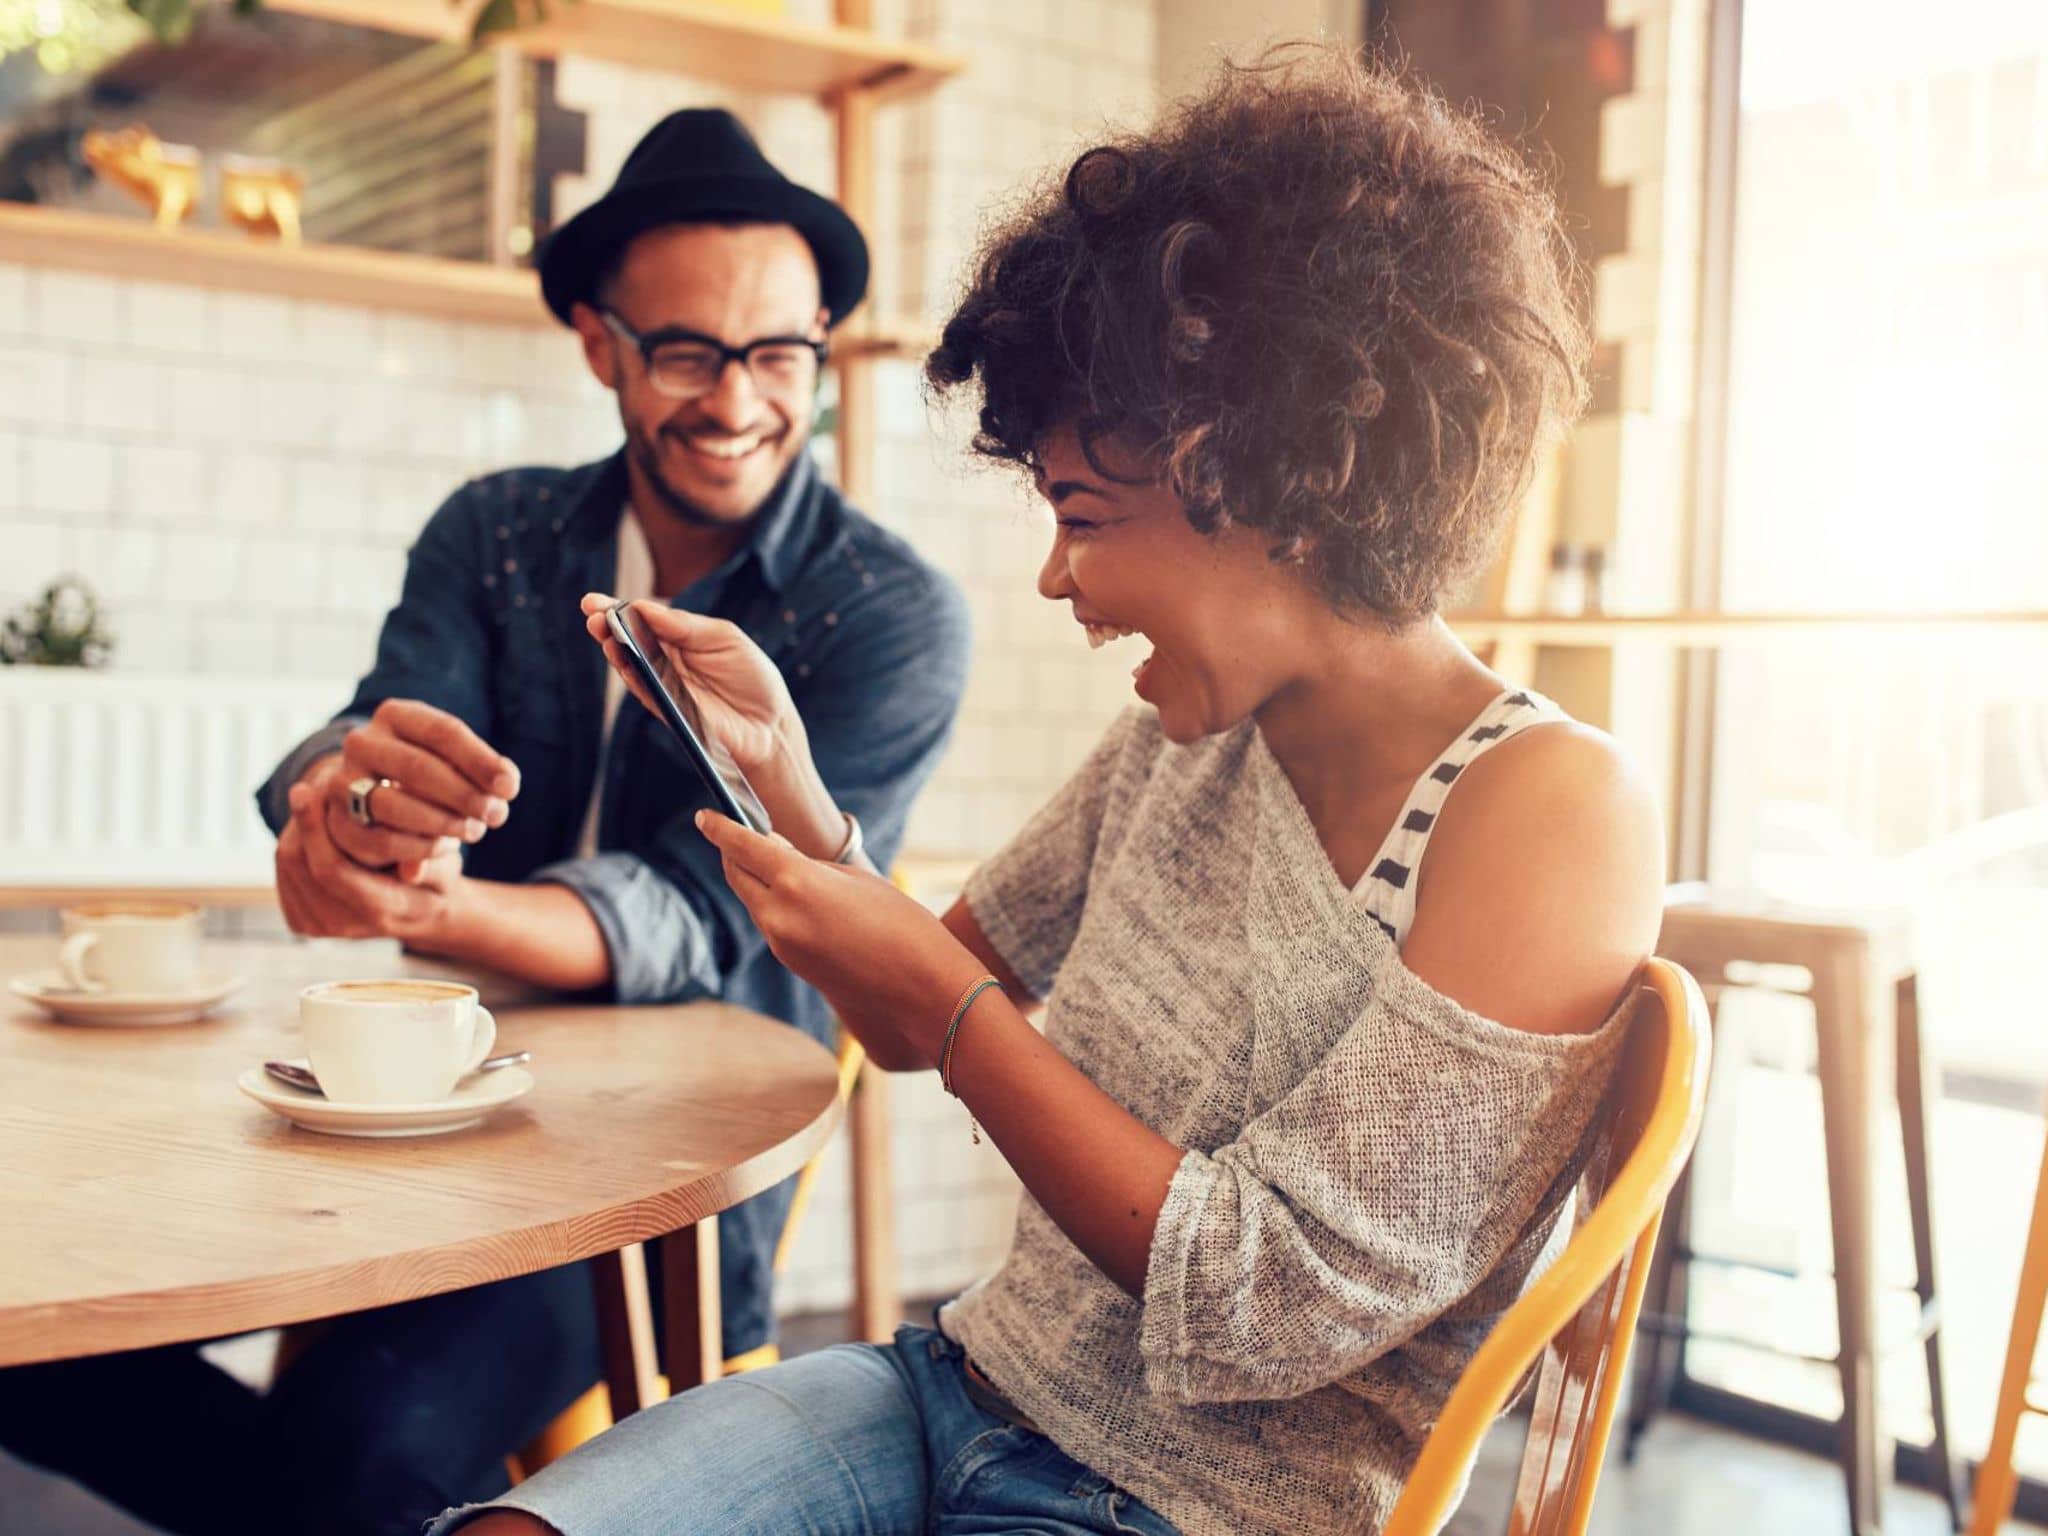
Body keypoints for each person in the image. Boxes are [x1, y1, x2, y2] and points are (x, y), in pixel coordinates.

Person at [430, 45, 1666, 1536]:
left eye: (1082, 515)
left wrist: (961, 1022)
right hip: (953, 1389)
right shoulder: (1190, 733)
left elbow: (1263, 1303)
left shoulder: (1547, 811)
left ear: (1251, 477)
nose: (1057, 577)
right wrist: (794, 790)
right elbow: (906, 1011)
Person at [0, 109, 968, 1536]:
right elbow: (371, 732)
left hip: (666, 1171)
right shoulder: (496, 531)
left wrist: (431, 911)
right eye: (687, 351)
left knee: (353, 1453)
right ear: (600, 345)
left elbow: (699, 917)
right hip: (410, 1108)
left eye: (778, 353)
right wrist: (351, 807)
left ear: (819, 343)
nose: (740, 399)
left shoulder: (888, 610)